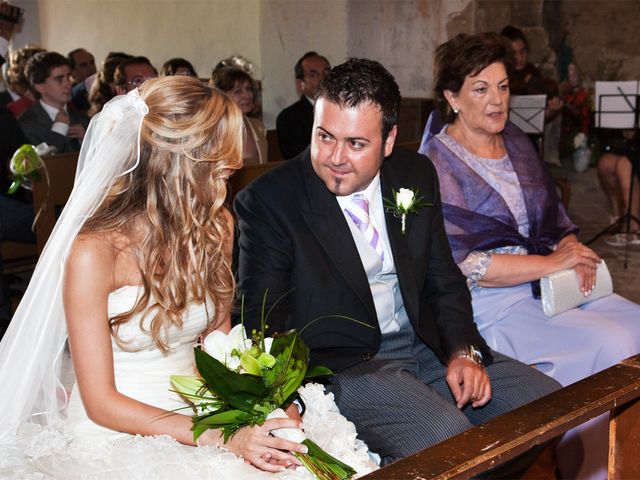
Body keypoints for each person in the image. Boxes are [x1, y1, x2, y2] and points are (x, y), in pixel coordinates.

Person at [0, 76, 375, 478]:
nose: (234, 164)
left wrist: (261, 402)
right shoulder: (94, 251)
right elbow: (101, 400)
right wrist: (221, 437)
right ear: (178, 164)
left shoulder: (216, 225)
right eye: (221, 156)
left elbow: (218, 341)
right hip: (117, 434)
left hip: (202, 408)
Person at [235, 57, 560, 471]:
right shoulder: (270, 201)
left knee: (547, 404)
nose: (335, 157)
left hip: (426, 343)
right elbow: (262, 318)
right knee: (448, 440)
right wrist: (287, 399)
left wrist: (463, 351)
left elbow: (443, 277)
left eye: (356, 144)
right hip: (345, 366)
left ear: (389, 141)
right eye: (325, 136)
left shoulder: (415, 173)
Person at [418, 32, 640, 479]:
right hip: (487, 304)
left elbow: (547, 220)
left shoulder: (516, 140)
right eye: (481, 89)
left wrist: (567, 248)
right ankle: (590, 469)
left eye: (503, 87)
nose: (497, 100)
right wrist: (551, 263)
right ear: (451, 97)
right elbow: (466, 265)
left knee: (636, 323)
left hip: (543, 282)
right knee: (609, 345)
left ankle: (627, 458)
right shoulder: (434, 163)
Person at [19, 51, 89, 152]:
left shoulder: (83, 119)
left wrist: (87, 141)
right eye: (59, 79)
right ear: (40, 86)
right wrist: (59, 129)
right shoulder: (26, 124)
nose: (68, 84)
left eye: (68, 77)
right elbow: (36, 163)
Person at [276, 51, 330, 159]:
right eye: (313, 75)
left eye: (326, 73)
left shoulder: (342, 110)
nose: (322, 79)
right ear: (300, 83)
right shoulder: (288, 118)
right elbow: (298, 158)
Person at [210, 66, 267, 165]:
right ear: (221, 96)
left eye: (248, 89)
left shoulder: (259, 127)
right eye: (238, 91)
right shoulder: (212, 131)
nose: (247, 96)